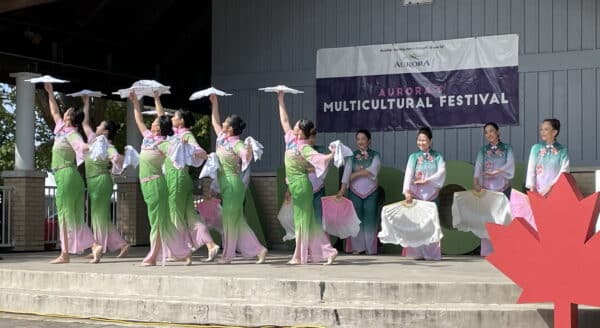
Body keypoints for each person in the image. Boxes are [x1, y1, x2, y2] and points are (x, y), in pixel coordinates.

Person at [154, 93, 220, 262]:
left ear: (181, 121)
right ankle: (211, 245)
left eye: (175, 116)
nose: (172, 118)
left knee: (175, 215)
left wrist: (203, 155)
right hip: (181, 179)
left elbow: (199, 151)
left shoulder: (186, 135)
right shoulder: (173, 134)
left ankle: (179, 251)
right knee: (191, 215)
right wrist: (157, 98)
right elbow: (161, 117)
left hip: (176, 177)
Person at [129, 91, 192, 266]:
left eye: (156, 122)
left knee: (157, 222)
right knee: (161, 222)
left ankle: (152, 257)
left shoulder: (165, 143)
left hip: (157, 184)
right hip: (147, 186)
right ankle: (184, 251)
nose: (153, 123)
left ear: (159, 127)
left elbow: (177, 152)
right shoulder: (148, 137)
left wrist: (184, 145)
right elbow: (139, 120)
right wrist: (136, 103)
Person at [276, 91, 337, 265]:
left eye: (297, 128)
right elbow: (285, 120)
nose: (294, 129)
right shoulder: (290, 139)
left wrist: (331, 155)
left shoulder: (304, 146)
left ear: (303, 133)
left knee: (301, 221)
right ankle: (328, 251)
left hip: (302, 185)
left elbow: (320, 159)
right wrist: (281, 99)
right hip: (296, 186)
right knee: (308, 222)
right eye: (294, 127)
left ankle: (298, 256)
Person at [44, 83, 102, 264]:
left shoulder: (71, 134)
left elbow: (81, 146)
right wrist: (50, 93)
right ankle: (93, 246)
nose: (63, 112)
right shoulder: (62, 128)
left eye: (67, 111)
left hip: (67, 176)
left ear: (69, 117)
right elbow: (54, 112)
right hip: (70, 178)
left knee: (64, 216)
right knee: (73, 217)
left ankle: (66, 254)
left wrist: (92, 145)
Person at [209, 94, 267, 264]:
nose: (223, 123)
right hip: (226, 185)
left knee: (229, 221)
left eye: (226, 122)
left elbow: (245, 155)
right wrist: (215, 103)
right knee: (238, 221)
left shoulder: (236, 143)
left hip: (233, 185)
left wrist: (248, 148)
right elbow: (214, 121)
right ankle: (259, 249)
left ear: (231, 128)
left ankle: (228, 256)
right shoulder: (222, 138)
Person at [81, 95, 129, 258]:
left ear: (106, 131)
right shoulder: (93, 140)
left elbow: (117, 157)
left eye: (100, 125)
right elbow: (85, 123)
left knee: (98, 216)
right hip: (93, 181)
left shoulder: (107, 145)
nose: (97, 126)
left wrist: (117, 158)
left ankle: (99, 248)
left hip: (101, 180)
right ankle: (120, 244)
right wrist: (86, 104)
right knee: (98, 215)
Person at [402, 127, 446, 260]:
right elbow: (408, 174)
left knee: (431, 225)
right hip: (416, 195)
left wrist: (428, 180)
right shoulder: (413, 157)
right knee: (416, 224)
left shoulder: (437, 156)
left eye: (424, 140)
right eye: (419, 140)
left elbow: (442, 172)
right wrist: (407, 191)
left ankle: (431, 254)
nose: (421, 142)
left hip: (431, 195)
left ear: (430, 141)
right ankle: (416, 253)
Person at [473, 122, 514, 256]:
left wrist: (496, 172)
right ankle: (488, 251)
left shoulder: (507, 148)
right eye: (486, 132)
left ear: (498, 132)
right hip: (487, 190)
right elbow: (479, 166)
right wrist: (476, 181)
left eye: (491, 131)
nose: (489, 134)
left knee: (503, 219)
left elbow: (510, 164)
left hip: (502, 188)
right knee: (488, 220)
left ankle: (503, 251)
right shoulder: (483, 150)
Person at [337, 129, 381, 255]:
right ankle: (358, 247)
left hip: (371, 192)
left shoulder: (375, 155)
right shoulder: (351, 156)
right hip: (355, 192)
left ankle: (370, 248)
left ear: (369, 141)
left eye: (363, 139)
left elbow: (373, 170)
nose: (361, 141)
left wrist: (356, 174)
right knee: (356, 220)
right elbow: (346, 174)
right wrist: (342, 190)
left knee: (370, 219)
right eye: (358, 139)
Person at [526, 118, 570, 196]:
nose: (542, 132)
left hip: (556, 190)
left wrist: (550, 187)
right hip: (538, 191)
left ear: (554, 132)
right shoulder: (536, 148)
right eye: (541, 129)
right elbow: (531, 169)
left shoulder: (562, 150)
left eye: (546, 129)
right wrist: (532, 188)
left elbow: (564, 171)